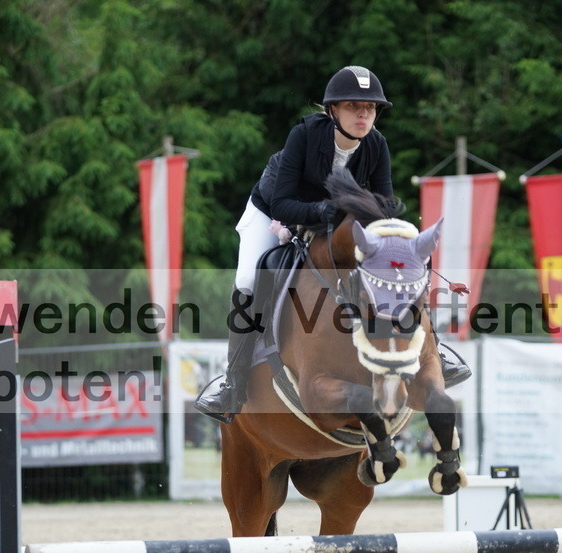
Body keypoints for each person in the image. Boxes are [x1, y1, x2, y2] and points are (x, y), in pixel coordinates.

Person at [195, 66, 470, 423]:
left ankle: (434, 351)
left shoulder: (377, 145)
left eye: (370, 108)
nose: (363, 114)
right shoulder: (304, 136)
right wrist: (326, 210)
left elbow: (383, 204)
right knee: (249, 279)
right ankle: (233, 381)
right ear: (332, 111)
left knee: (398, 261)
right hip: (272, 213)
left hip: (334, 225)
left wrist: (388, 219)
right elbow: (282, 204)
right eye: (354, 106)